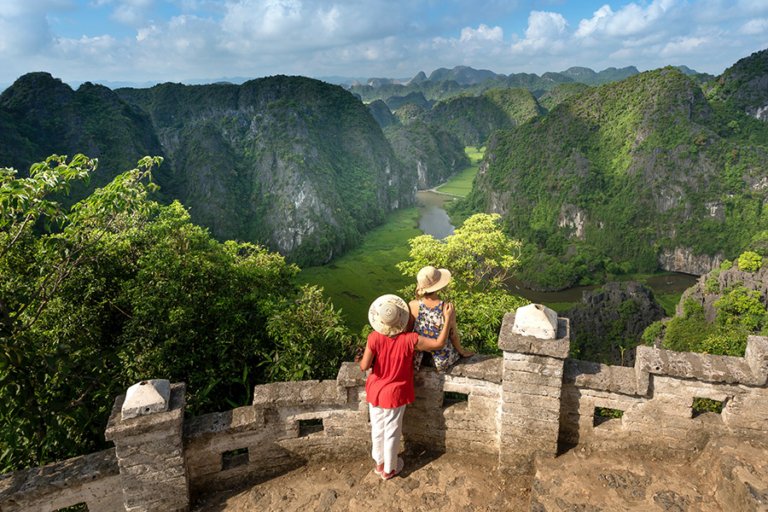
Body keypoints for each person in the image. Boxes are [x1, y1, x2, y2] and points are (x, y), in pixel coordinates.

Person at [359, 294, 454, 480]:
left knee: (377, 428)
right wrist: (448, 319)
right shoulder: (411, 340)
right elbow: (439, 344)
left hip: (375, 389)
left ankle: (379, 464)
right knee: (392, 430)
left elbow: (364, 366)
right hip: (395, 393)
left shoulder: (374, 338)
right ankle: (390, 469)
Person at [409, 265, 474, 373]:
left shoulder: (413, 305)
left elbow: (409, 332)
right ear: (438, 286)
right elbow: (453, 335)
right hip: (441, 360)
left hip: (418, 359)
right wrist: (462, 351)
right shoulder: (447, 308)